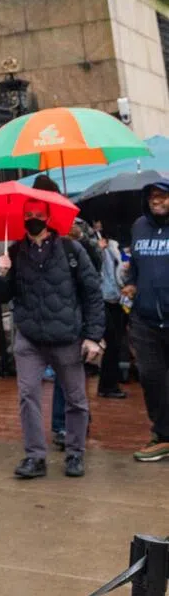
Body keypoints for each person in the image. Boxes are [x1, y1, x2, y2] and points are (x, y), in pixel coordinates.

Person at [0, 196, 104, 479]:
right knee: (27, 394)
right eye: (27, 214)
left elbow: (92, 293)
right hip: (30, 337)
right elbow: (0, 296)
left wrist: (93, 336)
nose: (32, 218)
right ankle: (34, 456)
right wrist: (1, 274)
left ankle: (75, 452)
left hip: (66, 336)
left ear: (48, 218)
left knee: (76, 398)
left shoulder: (70, 249)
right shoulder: (15, 253)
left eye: (37, 214)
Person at [120, 178, 169, 462]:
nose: (157, 201)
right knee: (151, 378)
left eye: (162, 196)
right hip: (145, 319)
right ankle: (162, 435)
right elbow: (135, 269)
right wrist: (131, 284)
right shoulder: (139, 227)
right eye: (152, 197)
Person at [93, 222, 128, 400]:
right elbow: (92, 268)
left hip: (117, 297)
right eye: (95, 222)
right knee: (111, 340)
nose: (99, 225)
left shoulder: (114, 244)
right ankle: (107, 385)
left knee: (116, 342)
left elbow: (119, 269)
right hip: (101, 298)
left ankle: (109, 383)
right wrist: (97, 250)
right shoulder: (91, 243)